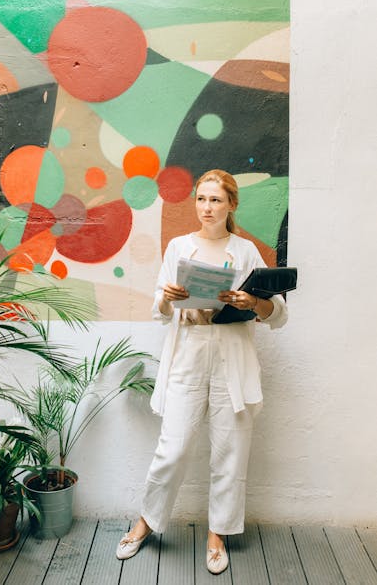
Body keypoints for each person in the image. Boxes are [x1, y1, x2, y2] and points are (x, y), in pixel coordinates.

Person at [116, 169, 288, 574]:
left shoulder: (245, 250)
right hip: (188, 355)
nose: (207, 208)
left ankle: (217, 533)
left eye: (215, 200)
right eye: (201, 199)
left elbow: (278, 313)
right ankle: (146, 521)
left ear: (231, 204)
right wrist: (168, 297)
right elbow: (159, 311)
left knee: (230, 451)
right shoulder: (179, 247)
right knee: (172, 449)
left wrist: (251, 303)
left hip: (232, 358)